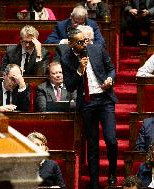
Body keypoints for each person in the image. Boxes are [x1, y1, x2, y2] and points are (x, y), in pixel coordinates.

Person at [56, 28, 118, 189]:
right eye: (79, 42)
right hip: (87, 102)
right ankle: (95, 183)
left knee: (111, 140)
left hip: (104, 99)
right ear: (70, 43)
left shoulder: (96, 48)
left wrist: (110, 78)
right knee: (92, 145)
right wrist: (79, 70)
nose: (84, 44)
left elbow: (111, 67)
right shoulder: (67, 58)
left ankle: (112, 173)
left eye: (85, 40)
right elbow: (69, 86)